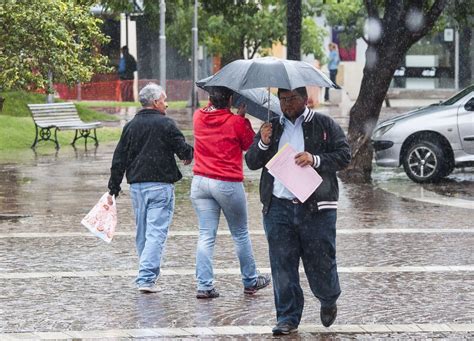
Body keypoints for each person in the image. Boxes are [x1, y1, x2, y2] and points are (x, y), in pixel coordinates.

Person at [245, 87, 351, 336]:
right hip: (278, 208)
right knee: (282, 265)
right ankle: (287, 317)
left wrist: (314, 159)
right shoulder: (271, 127)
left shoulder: (323, 124)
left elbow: (344, 156)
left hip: (315, 208)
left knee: (320, 262)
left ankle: (328, 297)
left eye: (291, 99)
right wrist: (262, 142)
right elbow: (251, 162)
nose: (286, 104)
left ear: (305, 99)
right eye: (282, 99)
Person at [107, 83, 193, 293]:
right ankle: (145, 278)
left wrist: (113, 187)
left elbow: (119, 158)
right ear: (155, 102)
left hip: (137, 186)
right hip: (160, 187)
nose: (166, 103)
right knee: (155, 233)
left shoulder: (131, 126)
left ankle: (146, 273)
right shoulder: (166, 124)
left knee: (143, 233)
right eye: (164, 99)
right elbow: (183, 150)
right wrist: (188, 154)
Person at [191, 86, 271, 299]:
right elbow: (249, 146)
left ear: (210, 98)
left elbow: (214, 117)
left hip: (200, 182)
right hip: (226, 182)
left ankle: (204, 285)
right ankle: (250, 280)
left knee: (206, 235)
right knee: (240, 233)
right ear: (231, 100)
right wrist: (242, 119)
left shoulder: (198, 116)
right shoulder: (236, 122)